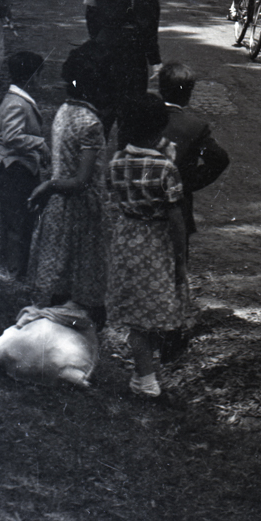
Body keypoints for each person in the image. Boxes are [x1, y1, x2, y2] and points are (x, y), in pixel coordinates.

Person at [108, 93, 189, 399]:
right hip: (156, 244)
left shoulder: (117, 161)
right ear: (160, 128)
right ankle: (147, 380)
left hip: (128, 240)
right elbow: (176, 219)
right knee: (151, 317)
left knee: (139, 316)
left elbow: (113, 191)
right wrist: (180, 259)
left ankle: (142, 373)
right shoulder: (165, 168)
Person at [27, 45, 109, 326]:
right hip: (80, 205)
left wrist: (51, 186)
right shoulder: (91, 123)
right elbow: (82, 181)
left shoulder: (63, 111)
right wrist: (50, 186)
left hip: (59, 203)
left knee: (59, 265)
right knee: (81, 269)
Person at [85, 0, 161, 136]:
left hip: (103, 45)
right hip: (132, 52)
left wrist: (97, 40)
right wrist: (154, 59)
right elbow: (149, 22)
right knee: (131, 115)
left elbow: (90, 9)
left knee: (102, 112)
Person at [159, 61, 230, 256]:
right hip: (178, 203)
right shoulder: (194, 127)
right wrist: (188, 182)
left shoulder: (143, 116)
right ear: (188, 95)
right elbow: (219, 159)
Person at [0, 51, 48, 279]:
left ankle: (9, 266)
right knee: (18, 221)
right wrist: (40, 144)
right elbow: (11, 137)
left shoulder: (17, 100)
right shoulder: (16, 104)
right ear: (31, 77)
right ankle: (15, 272)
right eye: (39, 76)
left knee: (16, 219)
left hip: (18, 167)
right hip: (15, 169)